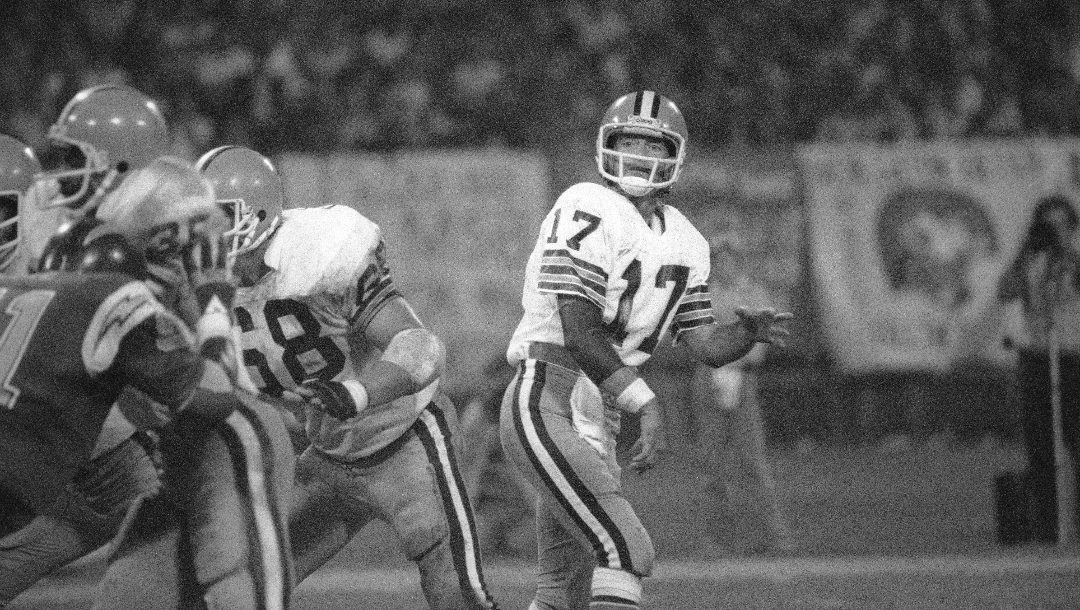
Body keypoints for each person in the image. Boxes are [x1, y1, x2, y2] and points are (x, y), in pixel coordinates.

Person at [499, 90, 793, 610]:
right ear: (605, 148)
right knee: (627, 549)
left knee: (561, 591)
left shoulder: (688, 240)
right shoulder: (585, 204)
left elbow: (704, 343)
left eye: (650, 146)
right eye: (627, 143)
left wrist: (744, 335)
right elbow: (579, 330)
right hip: (549, 394)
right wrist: (647, 401)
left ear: (674, 157)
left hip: (602, 413)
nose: (637, 157)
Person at [197, 145, 499, 609]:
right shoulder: (205, 285)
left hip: (405, 439)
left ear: (256, 214)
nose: (206, 233)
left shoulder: (318, 253)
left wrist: (356, 393)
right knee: (246, 584)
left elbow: (420, 346)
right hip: (328, 457)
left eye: (219, 217)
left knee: (458, 595)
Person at [0, 155, 245, 607]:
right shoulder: (118, 301)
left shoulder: (15, 287)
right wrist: (213, 300)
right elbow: (218, 394)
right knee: (139, 477)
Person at [86, 155, 296, 610]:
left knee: (237, 586)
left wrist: (211, 309)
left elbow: (215, 391)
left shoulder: (144, 291)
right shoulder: (112, 276)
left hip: (227, 439)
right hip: (178, 447)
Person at [0, 84, 173, 607]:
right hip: (62, 430)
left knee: (149, 491)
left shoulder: (125, 251)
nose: (59, 175)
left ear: (120, 167)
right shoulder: (69, 235)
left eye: (75, 157)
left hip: (82, 433)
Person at [996, 194, 1080, 544]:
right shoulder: (1029, 261)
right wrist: (1028, 259)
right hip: (1037, 354)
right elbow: (1005, 291)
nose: (1055, 231)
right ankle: (1047, 523)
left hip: (1073, 353)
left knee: (1075, 436)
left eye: (1062, 224)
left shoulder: (1075, 261)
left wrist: (1064, 262)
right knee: (1041, 442)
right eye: (1049, 224)